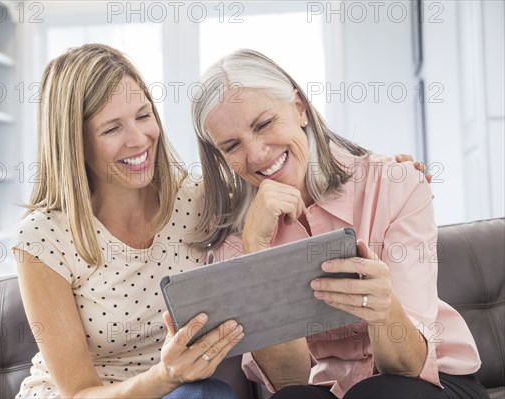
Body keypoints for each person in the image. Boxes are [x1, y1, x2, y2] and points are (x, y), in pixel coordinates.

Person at [191, 49, 488, 399]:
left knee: (381, 392)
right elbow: (291, 378)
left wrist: (384, 310)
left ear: (299, 108)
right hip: (330, 389)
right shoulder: (236, 239)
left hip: (429, 381)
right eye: (231, 145)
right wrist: (256, 259)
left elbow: (408, 367)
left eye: (264, 124)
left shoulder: (395, 184)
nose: (256, 154)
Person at [13, 44, 244, 399]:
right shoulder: (42, 237)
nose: (139, 140)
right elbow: (78, 392)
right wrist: (165, 376)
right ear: (76, 142)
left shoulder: (202, 200)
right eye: (111, 129)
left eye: (142, 115)